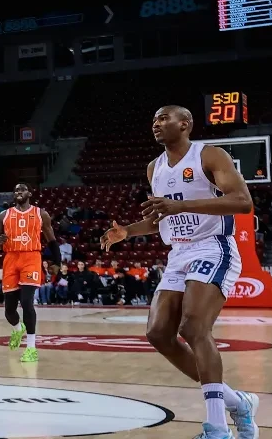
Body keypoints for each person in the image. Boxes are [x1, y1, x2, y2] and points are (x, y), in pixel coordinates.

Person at [101, 106, 259, 439]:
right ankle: (237, 401)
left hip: (213, 246)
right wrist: (127, 231)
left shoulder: (210, 155)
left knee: (194, 326)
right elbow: (162, 216)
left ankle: (217, 428)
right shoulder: (153, 169)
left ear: (184, 124)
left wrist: (182, 205)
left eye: (163, 119)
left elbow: (242, 201)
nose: (156, 124)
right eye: (154, 119)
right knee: (158, 333)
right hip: (179, 253)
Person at [0, 183, 55, 362]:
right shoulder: (4, 215)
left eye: (22, 189)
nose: (18, 192)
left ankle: (31, 348)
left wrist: (56, 261)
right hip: (11, 258)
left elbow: (52, 239)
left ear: (29, 193)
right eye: (15, 190)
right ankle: (18, 329)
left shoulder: (40, 213)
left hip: (31, 257)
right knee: (9, 311)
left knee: (27, 302)